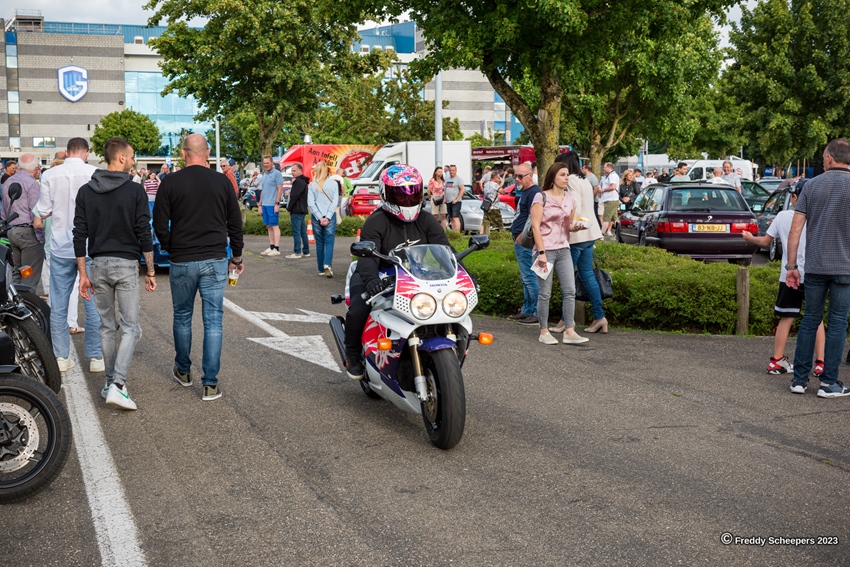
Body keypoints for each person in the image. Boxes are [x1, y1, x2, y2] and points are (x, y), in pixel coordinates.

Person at [153, 134, 244, 402]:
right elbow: (235, 223)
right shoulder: (221, 181)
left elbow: (159, 222)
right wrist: (237, 257)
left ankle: (183, 370)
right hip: (214, 258)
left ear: (183, 154)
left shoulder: (170, 182)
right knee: (213, 320)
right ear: (207, 154)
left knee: (182, 315)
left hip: (182, 258)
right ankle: (210, 383)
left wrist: (170, 246)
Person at [343, 165, 450, 379]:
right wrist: (371, 280)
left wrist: (462, 273)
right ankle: (352, 354)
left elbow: (445, 249)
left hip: (414, 275)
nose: (407, 199)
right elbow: (367, 258)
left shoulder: (426, 219)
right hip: (378, 274)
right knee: (359, 308)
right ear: (385, 193)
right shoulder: (376, 221)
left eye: (412, 193)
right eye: (400, 194)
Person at [73, 138, 156, 410]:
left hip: (98, 264)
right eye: (131, 157)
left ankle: (110, 383)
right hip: (126, 264)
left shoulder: (86, 191)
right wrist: (150, 270)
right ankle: (118, 384)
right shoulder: (135, 191)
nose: (133, 161)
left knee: (107, 326)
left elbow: (79, 234)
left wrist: (83, 273)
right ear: (121, 158)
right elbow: (144, 231)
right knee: (130, 326)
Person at [785, 138, 850, 397]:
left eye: (823, 157)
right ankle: (828, 383)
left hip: (815, 266)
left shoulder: (811, 186)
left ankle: (799, 380)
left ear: (830, 158)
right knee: (838, 322)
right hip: (846, 267)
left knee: (811, 319)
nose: (823, 161)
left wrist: (791, 265)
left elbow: (795, 229)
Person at [742, 179, 825, 377]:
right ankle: (820, 364)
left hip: (788, 274)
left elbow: (765, 241)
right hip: (814, 273)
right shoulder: (820, 217)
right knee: (817, 319)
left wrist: (749, 238)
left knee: (786, 317)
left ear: (795, 197)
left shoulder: (782, 216)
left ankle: (776, 361)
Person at [37, 138, 103, 373]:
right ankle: (96, 357)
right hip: (89, 245)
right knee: (93, 302)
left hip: (61, 245)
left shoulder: (49, 175)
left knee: (59, 303)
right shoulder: (94, 173)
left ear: (66, 152)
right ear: (86, 152)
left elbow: (43, 210)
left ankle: (61, 356)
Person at [549, 151, 607, 335]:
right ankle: (599, 317)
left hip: (576, 235)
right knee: (587, 275)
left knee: (567, 280)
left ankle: (566, 320)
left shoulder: (570, 181)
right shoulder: (585, 180)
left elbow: (572, 208)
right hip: (589, 234)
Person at [530, 162, 588, 345]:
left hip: (564, 249)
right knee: (545, 293)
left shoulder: (570, 198)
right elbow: (535, 226)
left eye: (567, 175)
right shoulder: (541, 197)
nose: (566, 178)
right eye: (562, 174)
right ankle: (544, 331)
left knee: (570, 290)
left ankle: (569, 331)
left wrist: (575, 227)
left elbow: (567, 224)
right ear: (553, 176)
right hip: (544, 250)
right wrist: (541, 253)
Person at [2, 153, 45, 295]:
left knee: (17, 273)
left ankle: (11, 303)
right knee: (29, 277)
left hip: (12, 232)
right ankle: (27, 305)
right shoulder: (32, 184)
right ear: (36, 167)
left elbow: (4, 212)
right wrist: (41, 237)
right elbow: (36, 213)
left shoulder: (8, 181)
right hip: (28, 234)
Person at [509, 163, 540, 325]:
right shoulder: (527, 192)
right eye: (515, 175)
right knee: (526, 277)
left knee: (529, 277)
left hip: (525, 241)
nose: (517, 179)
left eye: (520, 176)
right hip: (521, 240)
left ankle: (536, 312)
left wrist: (522, 236)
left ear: (530, 176)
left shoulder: (534, 192)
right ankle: (527, 310)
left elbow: (533, 217)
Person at [307, 161, 339, 277]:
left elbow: (311, 203)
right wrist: (328, 216)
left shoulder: (312, 185)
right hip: (330, 216)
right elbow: (335, 201)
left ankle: (320, 268)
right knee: (329, 241)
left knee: (319, 243)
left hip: (317, 217)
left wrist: (319, 217)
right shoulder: (334, 184)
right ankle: (327, 264)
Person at [258, 155, 283, 256]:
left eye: (267, 163)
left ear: (272, 163)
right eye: (264, 163)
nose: (266, 165)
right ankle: (271, 245)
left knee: (274, 225)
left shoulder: (277, 174)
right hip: (265, 204)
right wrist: (260, 205)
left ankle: (276, 248)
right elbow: (263, 190)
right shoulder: (264, 174)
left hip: (272, 204)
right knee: (268, 226)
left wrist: (277, 203)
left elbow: (280, 189)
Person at [285, 163, 310, 259]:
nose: (292, 172)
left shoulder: (298, 182)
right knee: (303, 231)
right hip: (302, 209)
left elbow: (295, 196)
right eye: (292, 171)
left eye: (294, 171)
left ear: (300, 170)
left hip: (297, 209)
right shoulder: (303, 181)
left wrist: (289, 208)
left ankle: (297, 252)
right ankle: (306, 251)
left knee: (296, 232)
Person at [599, 162, 620, 237]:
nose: (603, 169)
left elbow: (613, 187)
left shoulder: (612, 176)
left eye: (605, 167)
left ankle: (601, 234)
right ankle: (618, 233)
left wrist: (603, 189)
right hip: (609, 199)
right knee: (614, 218)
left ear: (609, 168)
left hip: (611, 200)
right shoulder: (608, 176)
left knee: (606, 218)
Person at [480, 170, 503, 235]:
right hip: (494, 207)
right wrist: (500, 184)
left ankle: (483, 235)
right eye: (498, 178)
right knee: (499, 223)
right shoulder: (495, 185)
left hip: (487, 206)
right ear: (495, 178)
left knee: (485, 222)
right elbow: (502, 191)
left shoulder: (486, 184)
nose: (499, 179)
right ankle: (503, 235)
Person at [445, 164, 465, 232]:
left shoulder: (459, 179)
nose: (452, 172)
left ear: (456, 170)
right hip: (448, 201)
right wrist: (445, 198)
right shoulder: (447, 179)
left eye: (453, 170)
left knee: (455, 218)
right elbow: (445, 189)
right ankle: (454, 233)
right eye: (450, 170)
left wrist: (457, 199)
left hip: (456, 202)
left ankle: (457, 233)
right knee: (451, 218)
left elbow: (462, 190)